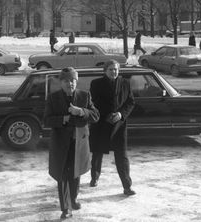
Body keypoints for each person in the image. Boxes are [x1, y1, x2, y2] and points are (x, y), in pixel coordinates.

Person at [44, 67, 99, 219]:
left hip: (79, 143)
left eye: (73, 80)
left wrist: (81, 111)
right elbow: (46, 120)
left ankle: (73, 199)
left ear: (77, 81)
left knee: (75, 173)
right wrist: (64, 119)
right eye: (66, 81)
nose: (70, 84)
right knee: (62, 175)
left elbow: (95, 116)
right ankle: (66, 208)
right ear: (61, 82)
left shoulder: (84, 95)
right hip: (61, 144)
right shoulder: (53, 98)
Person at [89, 59, 136, 196]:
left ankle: (127, 186)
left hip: (119, 125)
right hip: (101, 124)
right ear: (105, 71)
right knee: (97, 153)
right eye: (111, 69)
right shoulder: (96, 83)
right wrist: (108, 115)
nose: (114, 72)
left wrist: (121, 114)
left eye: (116, 69)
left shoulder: (125, 83)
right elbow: (95, 102)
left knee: (122, 156)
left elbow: (130, 102)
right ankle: (95, 177)